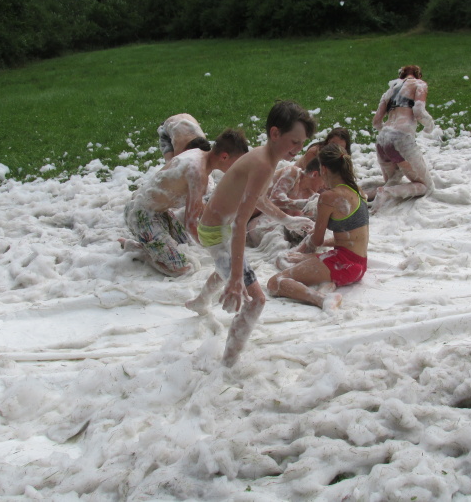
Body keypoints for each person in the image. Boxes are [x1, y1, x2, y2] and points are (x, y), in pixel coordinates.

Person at [185, 100, 316, 367]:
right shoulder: (263, 165)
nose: (298, 149)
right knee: (256, 300)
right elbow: (239, 224)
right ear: (275, 133)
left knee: (227, 265)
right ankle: (228, 364)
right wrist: (236, 279)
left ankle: (200, 301)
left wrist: (287, 219)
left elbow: (258, 199)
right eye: (294, 142)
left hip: (216, 227)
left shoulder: (266, 158)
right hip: (217, 232)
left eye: (302, 144)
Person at [121, 129, 249, 276]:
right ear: (224, 156)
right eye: (238, 163)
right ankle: (139, 251)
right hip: (141, 215)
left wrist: (221, 226)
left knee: (187, 245)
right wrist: (216, 250)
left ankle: (153, 247)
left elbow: (199, 208)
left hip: (159, 213)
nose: (238, 168)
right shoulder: (198, 172)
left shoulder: (199, 154)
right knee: (182, 268)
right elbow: (191, 223)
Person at [268, 144, 369, 310]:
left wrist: (308, 230)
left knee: (275, 282)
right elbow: (349, 237)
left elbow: (317, 240)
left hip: (343, 264)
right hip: (359, 264)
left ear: (323, 169)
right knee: (296, 259)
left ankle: (322, 300)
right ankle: (327, 284)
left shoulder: (328, 197)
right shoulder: (358, 191)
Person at [369, 65, 436, 211]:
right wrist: (429, 125)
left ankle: (363, 196)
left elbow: (376, 122)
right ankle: (385, 192)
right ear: (419, 75)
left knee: (393, 180)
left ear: (401, 75)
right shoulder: (419, 84)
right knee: (426, 186)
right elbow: (418, 111)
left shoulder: (390, 89)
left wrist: (388, 132)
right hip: (401, 139)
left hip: (382, 140)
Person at [246, 157, 324, 247]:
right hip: (251, 217)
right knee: (277, 242)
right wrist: (304, 204)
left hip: (270, 222)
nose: (326, 186)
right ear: (315, 174)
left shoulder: (312, 195)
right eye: (325, 180)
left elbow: (298, 221)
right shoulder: (294, 172)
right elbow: (275, 199)